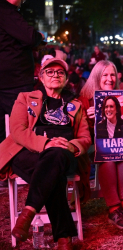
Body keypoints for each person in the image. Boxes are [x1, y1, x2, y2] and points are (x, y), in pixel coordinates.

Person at [0, 58, 91, 250]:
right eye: (50, 72)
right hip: (27, 152)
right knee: (52, 172)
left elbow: (85, 137)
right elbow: (17, 130)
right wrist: (47, 143)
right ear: (41, 77)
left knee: (55, 157)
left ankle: (28, 213)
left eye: (60, 72)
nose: (55, 75)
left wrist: (71, 146)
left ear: (66, 79)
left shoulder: (75, 104)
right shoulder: (25, 97)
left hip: (65, 154)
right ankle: (64, 238)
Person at [79, 60, 123, 230]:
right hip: (93, 146)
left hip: (116, 144)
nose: (109, 78)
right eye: (105, 75)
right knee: (108, 156)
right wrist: (88, 117)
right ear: (97, 77)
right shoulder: (85, 98)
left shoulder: (121, 97)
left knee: (121, 155)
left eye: (112, 74)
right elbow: (78, 129)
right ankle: (114, 208)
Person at [0, 0, 45, 143]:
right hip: (14, 83)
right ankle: (18, 162)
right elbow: (29, 36)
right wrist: (40, 37)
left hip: (9, 81)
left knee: (4, 130)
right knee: (22, 127)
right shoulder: (5, 10)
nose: (23, 2)